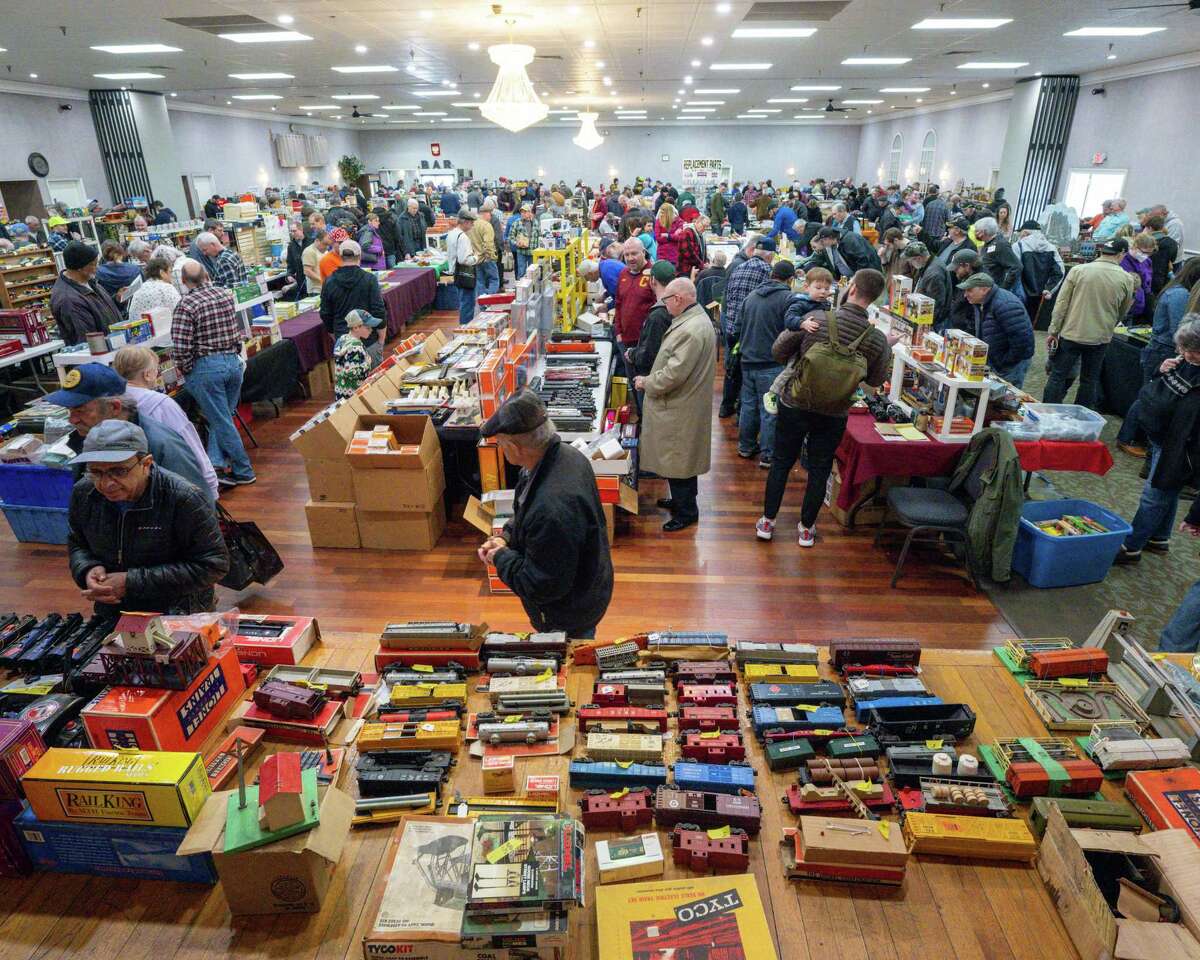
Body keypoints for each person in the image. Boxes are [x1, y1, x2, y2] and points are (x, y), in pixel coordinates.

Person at [757, 269, 893, 547]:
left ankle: (767, 522)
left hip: (795, 402)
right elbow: (876, 380)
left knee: (782, 462)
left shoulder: (815, 319)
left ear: (851, 288)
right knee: (819, 468)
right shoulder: (877, 338)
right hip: (835, 411)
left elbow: (778, 351)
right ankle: (807, 528)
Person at [476, 391, 613, 637]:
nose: (500, 450)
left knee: (570, 661)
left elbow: (540, 584)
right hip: (588, 587)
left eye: (500, 443)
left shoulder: (551, 506)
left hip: (568, 613)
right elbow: (526, 509)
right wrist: (505, 537)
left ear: (514, 446)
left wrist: (500, 558)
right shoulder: (564, 457)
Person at [67, 419, 227, 615]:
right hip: (114, 609)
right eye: (96, 472)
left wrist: (131, 581)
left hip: (179, 611)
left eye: (119, 471)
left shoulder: (183, 498)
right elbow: (78, 544)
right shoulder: (84, 493)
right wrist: (87, 570)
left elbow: (214, 565)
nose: (107, 483)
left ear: (146, 463)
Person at [1114, 318, 1200, 566]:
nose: (1183, 354)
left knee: (1154, 495)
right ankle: (1159, 537)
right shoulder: (1185, 361)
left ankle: (1130, 547)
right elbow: (1160, 388)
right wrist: (1162, 369)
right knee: (1166, 491)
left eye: (1189, 350)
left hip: (1180, 448)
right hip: (1163, 437)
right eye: (1181, 349)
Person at [635, 278, 718, 532]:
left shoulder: (690, 330)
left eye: (666, 300)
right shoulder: (694, 320)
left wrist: (646, 382)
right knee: (681, 459)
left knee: (677, 458)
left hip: (679, 406)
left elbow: (673, 374)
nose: (665, 305)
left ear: (679, 300)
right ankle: (683, 502)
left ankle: (686, 512)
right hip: (684, 404)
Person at [172, 260, 256, 487]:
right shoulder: (225, 294)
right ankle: (217, 463)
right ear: (206, 274)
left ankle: (244, 470)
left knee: (221, 421)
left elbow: (181, 346)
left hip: (207, 368)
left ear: (183, 281)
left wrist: (187, 369)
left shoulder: (186, 305)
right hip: (233, 363)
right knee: (223, 418)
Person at [112, 345, 218, 501]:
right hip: (174, 486)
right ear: (147, 374)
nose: (157, 374)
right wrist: (211, 484)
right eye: (156, 370)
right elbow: (190, 443)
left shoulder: (112, 404)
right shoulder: (161, 404)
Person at [1117, 258, 1200, 456]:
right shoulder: (1180, 295)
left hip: (1159, 348)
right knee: (1149, 398)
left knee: (1149, 396)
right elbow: (1178, 330)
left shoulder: (1174, 290)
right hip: (1162, 351)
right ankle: (1127, 438)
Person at [1044, 237, 1138, 409]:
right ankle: (1079, 419)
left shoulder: (1078, 271)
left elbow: (1061, 304)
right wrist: (1108, 324)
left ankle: (1047, 413)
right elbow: (1123, 311)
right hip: (1100, 337)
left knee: (1058, 376)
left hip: (1071, 332)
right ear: (1121, 254)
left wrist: (1053, 331)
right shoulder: (1126, 279)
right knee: (1089, 380)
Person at [738, 260, 796, 467]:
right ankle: (768, 455)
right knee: (769, 410)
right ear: (791, 279)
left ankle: (745, 447)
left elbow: (737, 327)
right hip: (771, 363)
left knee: (748, 406)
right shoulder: (788, 299)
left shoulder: (751, 296)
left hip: (747, 360)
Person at [723, 237, 776, 416]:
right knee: (746, 374)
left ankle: (725, 407)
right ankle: (741, 412)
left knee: (731, 368)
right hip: (749, 332)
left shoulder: (738, 267)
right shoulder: (767, 271)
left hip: (731, 327)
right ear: (770, 256)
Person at [957, 273, 1035, 387]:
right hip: (997, 361)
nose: (965, 295)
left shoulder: (1005, 305)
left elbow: (1022, 341)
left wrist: (1003, 361)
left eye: (969, 290)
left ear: (984, 289)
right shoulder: (981, 302)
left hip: (1010, 366)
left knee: (1006, 398)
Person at [49, 241, 122, 346]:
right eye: (94, 264)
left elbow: (98, 308)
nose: (97, 268)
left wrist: (117, 299)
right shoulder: (69, 300)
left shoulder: (89, 280)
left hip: (113, 347)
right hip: (101, 355)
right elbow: (88, 340)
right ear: (80, 267)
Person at [625, 261, 676, 409]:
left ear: (652, 281)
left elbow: (650, 355)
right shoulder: (675, 306)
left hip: (652, 379)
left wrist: (632, 354)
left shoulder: (658, 315)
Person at [320, 239, 386, 339]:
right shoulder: (369, 279)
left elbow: (325, 313)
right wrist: (381, 338)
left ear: (340, 256)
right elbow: (379, 311)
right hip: (368, 337)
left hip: (343, 337)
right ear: (359, 256)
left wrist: (335, 336)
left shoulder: (329, 281)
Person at [614, 238, 656, 371]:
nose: (630, 258)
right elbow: (619, 303)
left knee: (644, 383)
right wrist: (618, 332)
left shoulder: (653, 274)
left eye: (634, 253)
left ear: (643, 252)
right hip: (625, 340)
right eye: (627, 255)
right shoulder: (623, 274)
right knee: (632, 381)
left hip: (645, 343)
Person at [1012, 220, 1065, 324]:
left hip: (1019, 295)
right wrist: (1049, 289)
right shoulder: (1051, 248)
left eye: (1021, 232)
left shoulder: (1018, 246)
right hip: (1039, 296)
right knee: (1030, 325)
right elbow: (1060, 272)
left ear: (1026, 233)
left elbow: (1013, 271)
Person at [333, 310, 383, 399]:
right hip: (353, 395)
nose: (371, 330)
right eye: (368, 327)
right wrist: (367, 363)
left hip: (341, 392)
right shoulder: (355, 347)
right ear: (356, 328)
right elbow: (351, 373)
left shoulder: (343, 339)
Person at [907, 241, 953, 330]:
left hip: (934, 323)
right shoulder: (930, 264)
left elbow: (936, 304)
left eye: (910, 261)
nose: (910, 264)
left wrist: (925, 325)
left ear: (919, 258)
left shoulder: (934, 273)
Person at [446, 210, 480, 325]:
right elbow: (464, 259)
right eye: (471, 222)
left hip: (455, 273)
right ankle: (465, 331)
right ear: (465, 222)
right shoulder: (463, 237)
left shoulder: (451, 233)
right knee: (468, 304)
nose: (472, 225)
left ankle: (463, 328)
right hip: (465, 275)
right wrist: (476, 257)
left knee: (463, 302)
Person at [974, 217, 1021, 293]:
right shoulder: (988, 243)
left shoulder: (1001, 245)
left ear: (983, 231)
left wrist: (1003, 288)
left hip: (993, 290)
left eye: (977, 231)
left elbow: (1016, 267)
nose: (975, 233)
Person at [127, 255, 181, 321]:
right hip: (161, 329)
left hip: (139, 329)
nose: (171, 275)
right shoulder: (167, 288)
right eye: (170, 272)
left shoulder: (140, 288)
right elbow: (179, 312)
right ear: (162, 273)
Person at [1121, 232, 1156, 321]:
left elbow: (1148, 282)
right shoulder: (1123, 260)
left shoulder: (1147, 261)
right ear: (1135, 246)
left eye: (1150, 253)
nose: (1146, 255)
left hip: (1144, 303)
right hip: (1129, 305)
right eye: (1144, 252)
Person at [469, 206, 499, 295]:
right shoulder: (486, 225)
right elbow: (488, 244)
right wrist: (492, 257)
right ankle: (488, 301)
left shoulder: (472, 224)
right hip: (487, 258)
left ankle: (483, 303)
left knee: (480, 281)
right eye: (490, 214)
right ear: (486, 214)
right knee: (494, 280)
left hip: (476, 258)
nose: (491, 217)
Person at [509, 203, 540, 279]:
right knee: (521, 272)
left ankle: (532, 289)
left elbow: (539, 236)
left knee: (532, 273)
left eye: (525, 212)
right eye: (522, 212)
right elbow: (511, 237)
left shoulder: (535, 222)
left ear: (529, 213)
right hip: (521, 252)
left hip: (532, 252)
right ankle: (521, 289)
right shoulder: (516, 223)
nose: (523, 214)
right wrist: (516, 243)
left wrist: (538, 249)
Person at [675, 210, 708, 278]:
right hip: (685, 270)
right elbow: (689, 253)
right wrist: (702, 265)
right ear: (697, 222)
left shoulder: (700, 234)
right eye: (703, 226)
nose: (704, 229)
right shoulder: (687, 232)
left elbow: (703, 252)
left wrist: (706, 261)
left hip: (694, 269)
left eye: (706, 227)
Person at [302, 228, 330, 295]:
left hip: (325, 288)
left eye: (328, 244)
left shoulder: (324, 251)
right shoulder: (309, 251)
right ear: (317, 241)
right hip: (316, 290)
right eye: (325, 244)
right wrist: (323, 280)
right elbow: (307, 271)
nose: (327, 247)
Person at [285, 221, 307, 301]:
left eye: (294, 231)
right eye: (291, 231)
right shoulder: (291, 246)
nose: (292, 233)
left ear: (301, 230)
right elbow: (290, 264)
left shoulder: (311, 242)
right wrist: (289, 275)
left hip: (313, 279)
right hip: (301, 281)